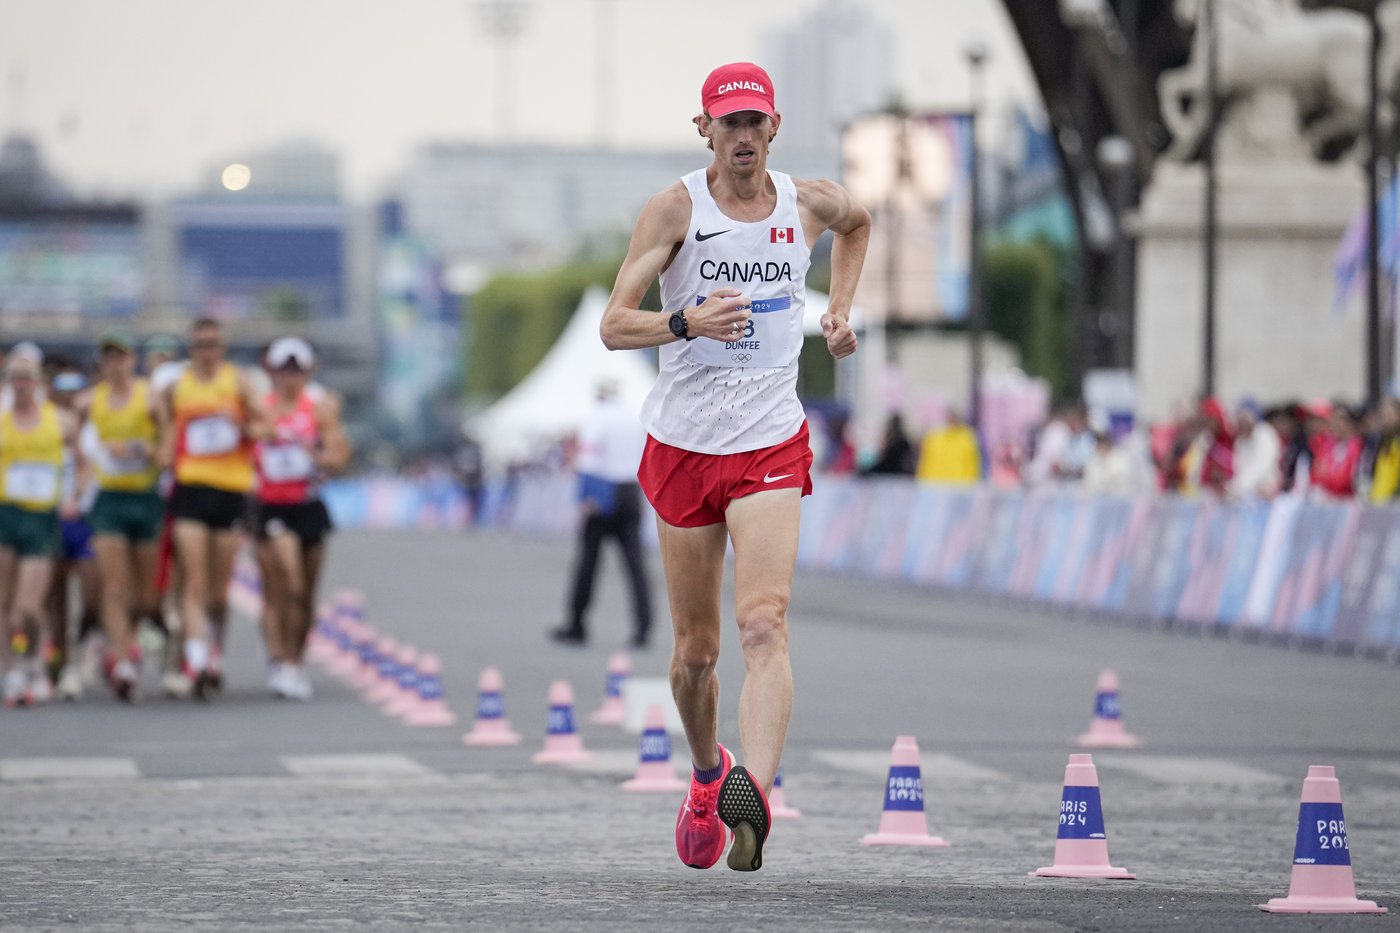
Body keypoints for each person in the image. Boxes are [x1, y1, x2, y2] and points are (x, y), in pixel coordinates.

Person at [599, 61, 869, 873]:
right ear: (704, 130)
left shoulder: (808, 202)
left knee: (765, 622)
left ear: (775, 126)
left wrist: (841, 309)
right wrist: (684, 320)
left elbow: (860, 224)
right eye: (729, 124)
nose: (743, 137)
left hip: (769, 437)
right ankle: (710, 772)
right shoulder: (675, 208)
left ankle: (756, 788)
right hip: (684, 443)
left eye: (755, 123)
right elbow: (615, 325)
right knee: (696, 653)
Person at [157, 317, 267, 700]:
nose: (207, 352)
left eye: (213, 345)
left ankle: (214, 650)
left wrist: (239, 422)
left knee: (219, 592)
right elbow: (168, 440)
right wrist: (161, 457)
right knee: (195, 581)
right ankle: (196, 657)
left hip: (230, 490)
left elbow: (265, 427)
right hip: (190, 487)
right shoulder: (177, 388)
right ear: (191, 349)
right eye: (200, 345)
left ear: (222, 348)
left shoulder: (238, 383)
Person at [252, 337, 349, 701]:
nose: (291, 377)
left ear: (309, 373)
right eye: (284, 369)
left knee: (305, 594)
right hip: (271, 506)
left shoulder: (320, 409)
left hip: (309, 506)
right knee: (285, 585)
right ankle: (279, 657)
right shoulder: (259, 409)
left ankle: (294, 660)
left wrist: (317, 454)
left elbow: (339, 457)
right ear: (272, 371)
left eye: (298, 370)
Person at [78, 329, 169, 702]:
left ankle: (129, 640)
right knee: (114, 586)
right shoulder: (89, 402)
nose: (115, 364)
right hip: (109, 500)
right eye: (108, 357)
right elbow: (81, 454)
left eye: (121, 356)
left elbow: (166, 448)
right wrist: (77, 492)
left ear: (132, 359)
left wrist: (140, 450)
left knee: (146, 599)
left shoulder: (150, 398)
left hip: (145, 498)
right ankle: (123, 659)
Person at [0, 349, 82, 707]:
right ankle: (12, 669)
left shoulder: (61, 421)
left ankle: (35, 657)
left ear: (38, 382)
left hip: (41, 520)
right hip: (6, 515)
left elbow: (83, 463)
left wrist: (75, 497)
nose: (20, 384)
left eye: (26, 376)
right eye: (14, 376)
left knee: (26, 609)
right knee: (3, 604)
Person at [550, 379, 652, 649]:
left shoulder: (596, 418)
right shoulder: (634, 417)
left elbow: (589, 459)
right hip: (630, 490)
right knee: (635, 564)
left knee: (588, 562)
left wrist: (586, 497)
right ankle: (643, 626)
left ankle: (577, 624)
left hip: (603, 489)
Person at [44, 357, 100, 699]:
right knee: (55, 600)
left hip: (90, 519)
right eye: (61, 388)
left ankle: (81, 650)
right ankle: (63, 663)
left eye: (75, 388)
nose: (70, 395)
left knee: (93, 598)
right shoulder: (46, 423)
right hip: (52, 520)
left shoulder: (97, 426)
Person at [914, 409, 982, 484]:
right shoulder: (935, 437)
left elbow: (972, 463)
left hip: (959, 484)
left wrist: (970, 482)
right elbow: (925, 460)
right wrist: (922, 479)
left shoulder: (967, 438)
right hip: (935, 483)